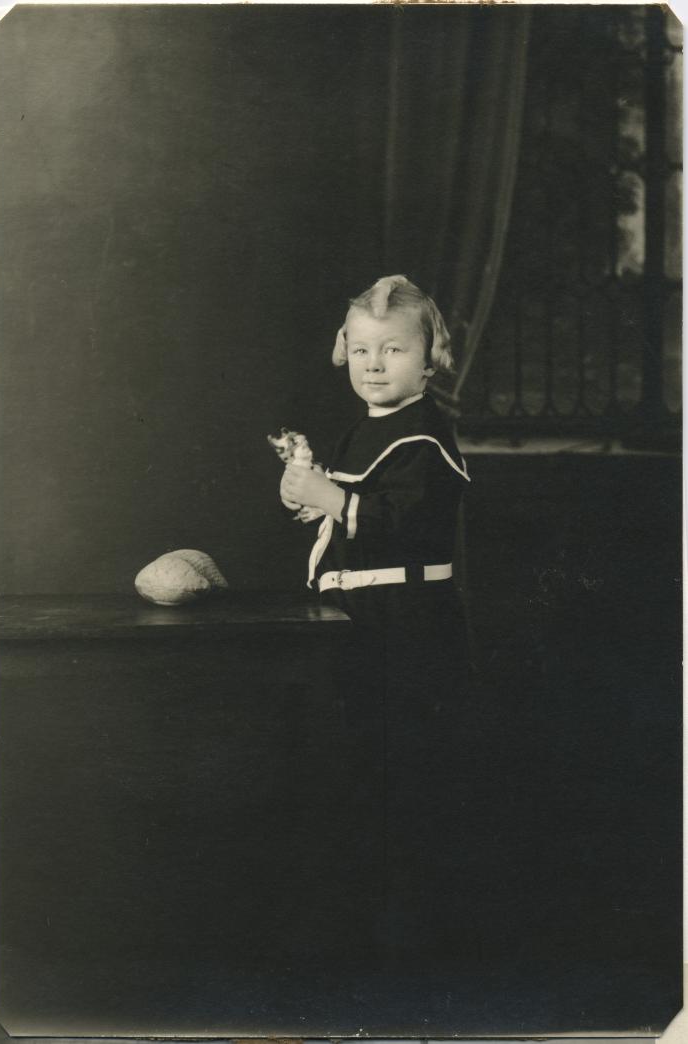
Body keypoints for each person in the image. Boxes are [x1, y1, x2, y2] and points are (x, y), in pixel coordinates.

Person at [279, 275, 471, 960]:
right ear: (344, 353)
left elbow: (404, 525)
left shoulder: (425, 432)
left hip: (408, 620)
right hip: (360, 616)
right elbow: (349, 508)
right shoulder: (364, 426)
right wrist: (308, 493)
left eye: (393, 350)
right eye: (361, 350)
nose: (375, 365)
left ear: (430, 358)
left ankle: (418, 932)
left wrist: (330, 498)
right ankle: (363, 922)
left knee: (407, 766)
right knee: (360, 763)